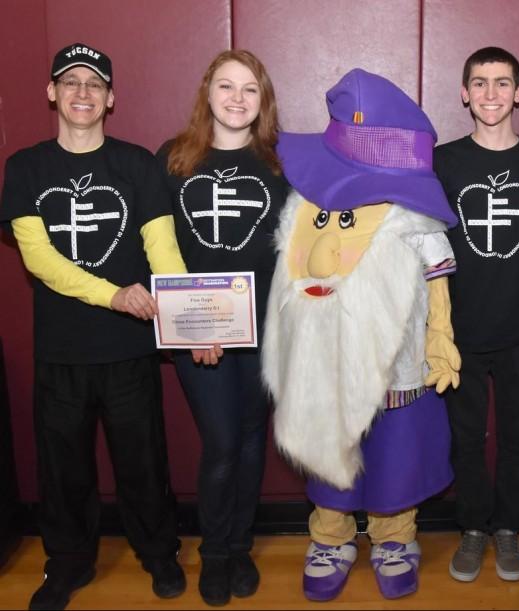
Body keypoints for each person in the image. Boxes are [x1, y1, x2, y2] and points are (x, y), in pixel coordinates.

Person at [0, 43, 187, 610]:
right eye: (71, 81)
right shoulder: (26, 167)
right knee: (64, 468)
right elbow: (40, 259)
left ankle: (159, 553)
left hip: (130, 350)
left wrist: (188, 319)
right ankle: (68, 563)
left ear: (111, 99)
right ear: (52, 92)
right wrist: (114, 294)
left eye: (95, 84)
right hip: (62, 351)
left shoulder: (137, 164)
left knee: (144, 462)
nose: (83, 92)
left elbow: (165, 251)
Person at [262, 68, 460, 602]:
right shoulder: (306, 202)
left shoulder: (411, 216)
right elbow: (289, 271)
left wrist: (440, 338)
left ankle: (395, 538)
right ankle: (331, 537)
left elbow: (438, 283)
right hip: (325, 364)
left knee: (396, 455)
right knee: (332, 454)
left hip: (395, 364)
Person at [156, 49, 287, 607]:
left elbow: (294, 254)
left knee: (253, 439)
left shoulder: (280, 167)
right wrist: (196, 326)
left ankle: (238, 547)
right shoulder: (173, 160)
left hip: (265, 332)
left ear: (263, 101)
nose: (237, 99)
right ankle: (213, 551)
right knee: (223, 441)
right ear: (206, 93)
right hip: (198, 334)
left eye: (250, 89)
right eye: (227, 87)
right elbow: (158, 249)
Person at [433, 46, 519, 584]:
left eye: (502, 83)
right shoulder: (443, 162)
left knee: (515, 437)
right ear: (464, 93)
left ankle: (508, 527)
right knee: (466, 438)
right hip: (462, 328)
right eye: (480, 84)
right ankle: (472, 528)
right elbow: (426, 245)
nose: (491, 94)